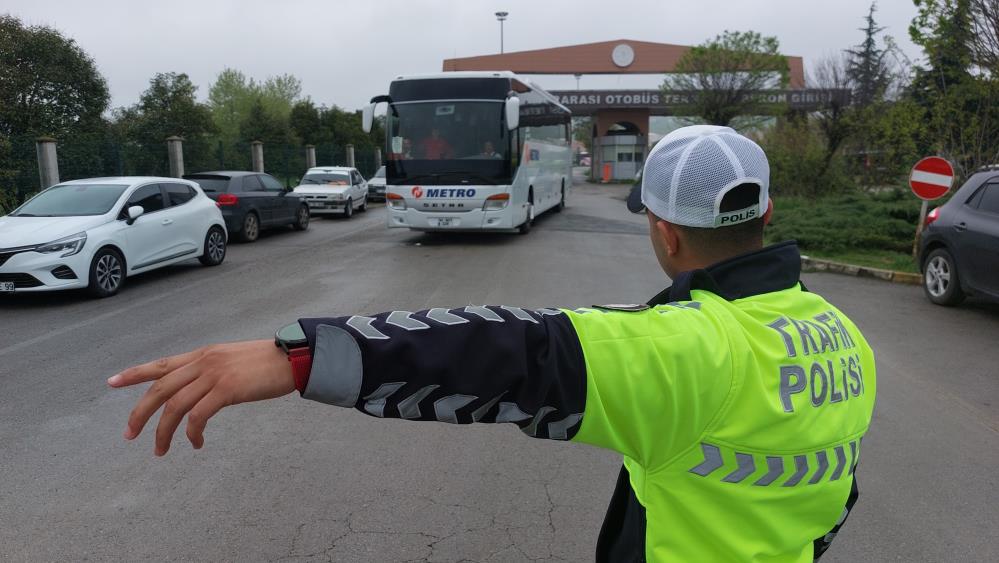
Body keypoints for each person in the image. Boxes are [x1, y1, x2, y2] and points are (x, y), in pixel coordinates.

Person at [109, 125, 876, 562]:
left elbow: (502, 353)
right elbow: (834, 492)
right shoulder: (843, 337)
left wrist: (296, 354)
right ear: (765, 212)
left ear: (664, 231)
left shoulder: (689, 349)